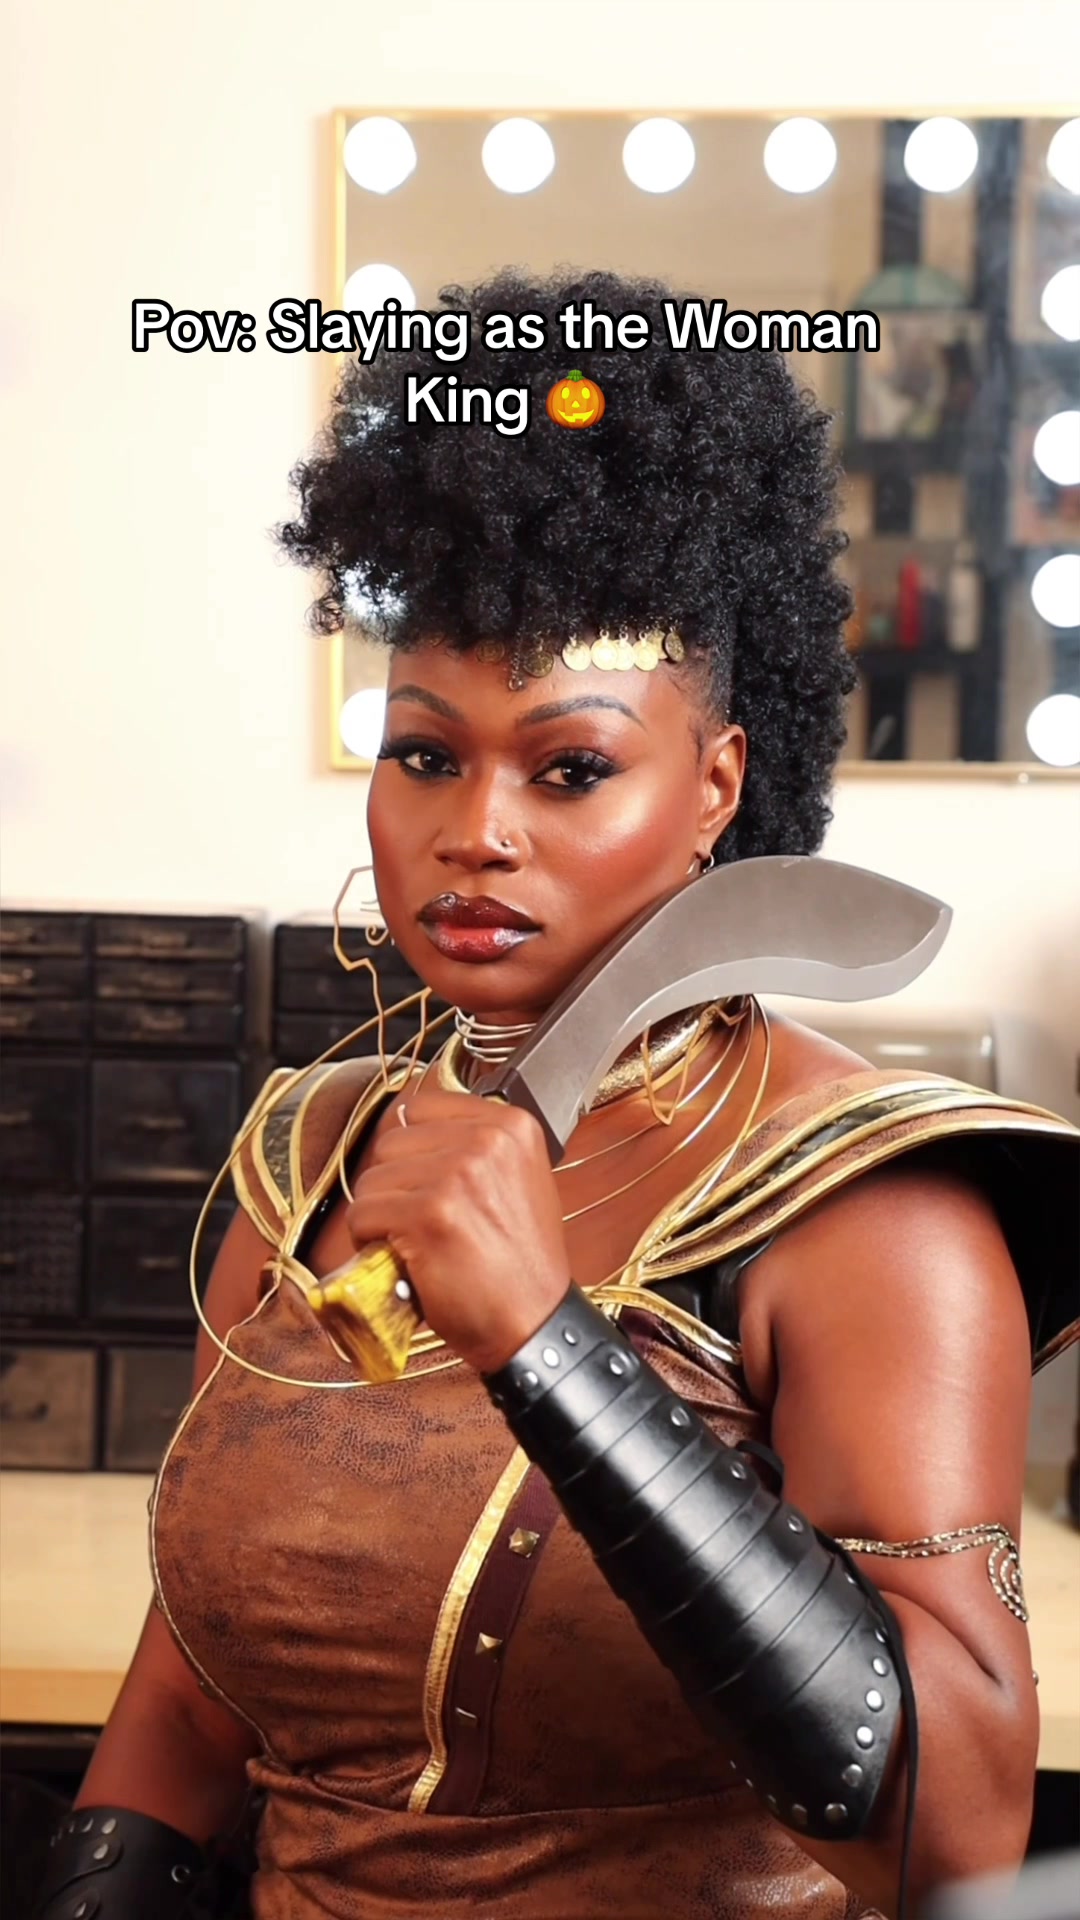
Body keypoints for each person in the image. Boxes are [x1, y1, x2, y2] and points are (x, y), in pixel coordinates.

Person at [35, 268, 1079, 1920]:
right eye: (426, 753)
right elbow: (187, 1708)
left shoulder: (872, 1216)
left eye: (572, 766)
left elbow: (951, 1840)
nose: (477, 832)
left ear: (717, 786)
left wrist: (548, 1345)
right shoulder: (314, 1163)